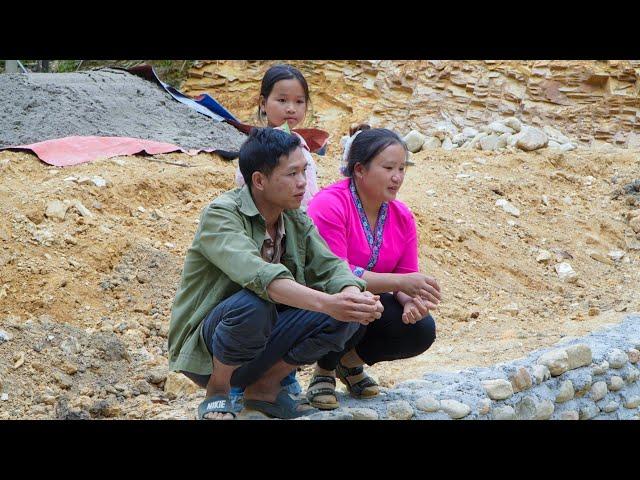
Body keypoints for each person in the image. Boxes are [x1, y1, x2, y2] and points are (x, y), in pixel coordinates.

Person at [167, 127, 383, 419]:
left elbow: (330, 266)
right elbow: (259, 274)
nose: (302, 183)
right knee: (253, 304)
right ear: (259, 180)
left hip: (264, 337)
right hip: (209, 349)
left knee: (348, 311)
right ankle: (218, 392)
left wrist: (352, 296)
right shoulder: (221, 214)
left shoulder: (294, 217)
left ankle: (264, 389)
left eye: (303, 172)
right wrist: (328, 303)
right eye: (292, 174)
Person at [305, 127, 442, 410]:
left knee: (421, 329)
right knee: (353, 296)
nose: (398, 177)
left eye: (402, 168)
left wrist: (410, 302)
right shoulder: (330, 205)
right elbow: (335, 273)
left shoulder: (401, 216)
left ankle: (349, 363)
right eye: (388, 167)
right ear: (360, 169)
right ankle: (324, 370)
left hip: (369, 305)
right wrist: (401, 285)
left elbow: (404, 277)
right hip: (320, 299)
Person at [235, 64, 319, 208]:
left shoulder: (300, 144)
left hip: (306, 222)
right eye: (282, 100)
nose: (291, 109)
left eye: (299, 101)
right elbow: (244, 185)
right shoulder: (259, 146)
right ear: (263, 103)